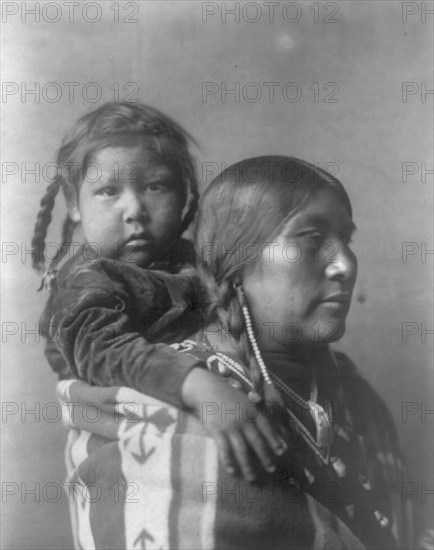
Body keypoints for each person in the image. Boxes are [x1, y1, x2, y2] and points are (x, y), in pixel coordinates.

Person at [57, 155, 415, 549]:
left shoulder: (356, 396)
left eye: (345, 239)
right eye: (312, 239)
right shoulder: (171, 407)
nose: (344, 264)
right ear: (238, 259)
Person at [32, 103, 284, 482]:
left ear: (184, 193)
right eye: (108, 191)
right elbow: (104, 353)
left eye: (155, 186)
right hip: (137, 461)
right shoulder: (87, 280)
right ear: (73, 205)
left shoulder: (191, 262)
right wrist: (200, 385)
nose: (134, 209)